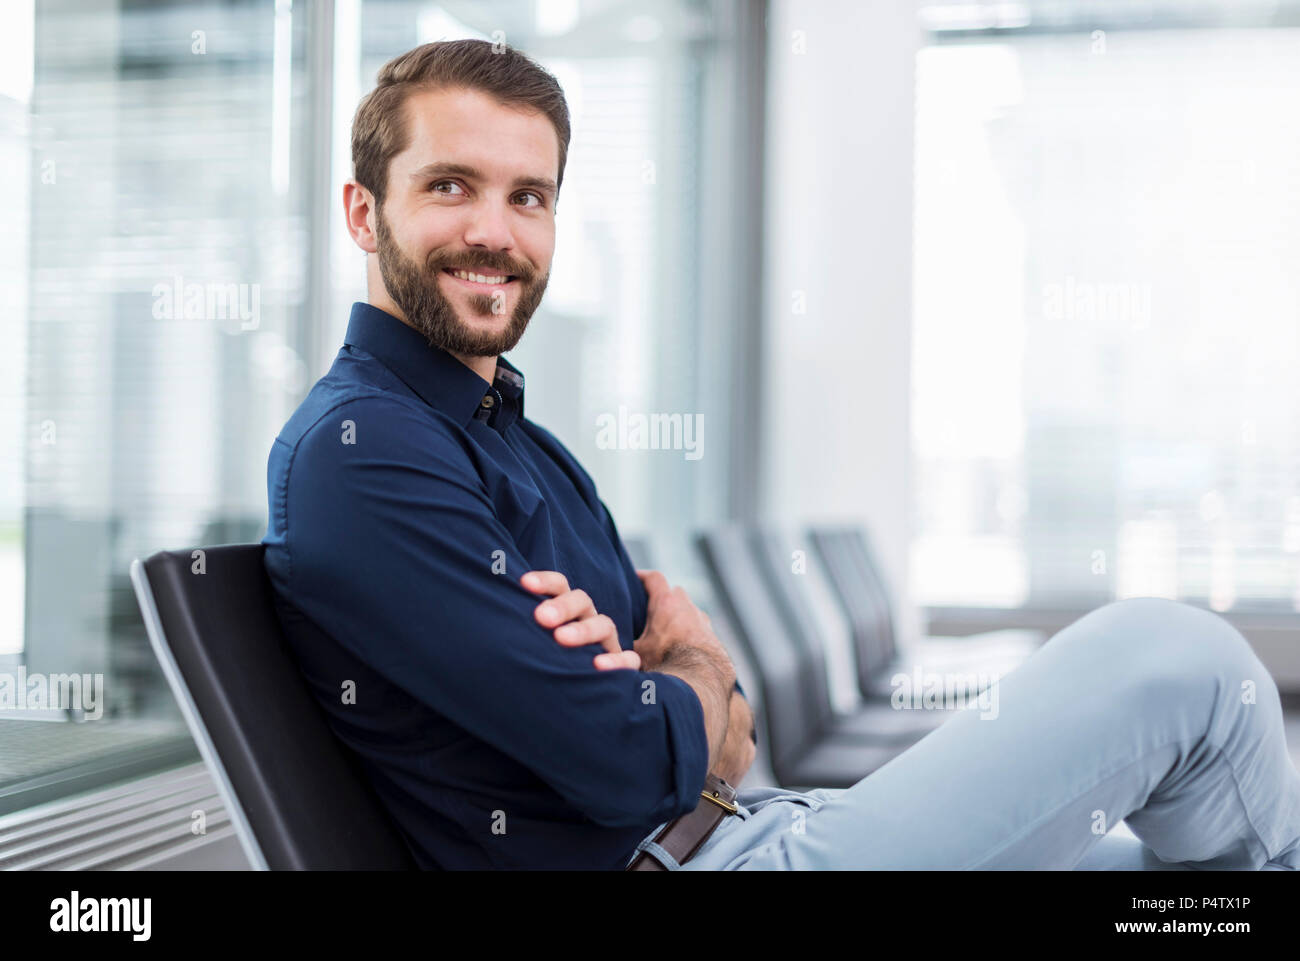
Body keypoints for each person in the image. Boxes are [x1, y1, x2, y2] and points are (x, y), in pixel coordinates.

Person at [261, 39, 1300, 871]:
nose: (495, 230)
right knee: (1180, 666)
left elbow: (730, 739)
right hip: (711, 859)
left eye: (527, 197)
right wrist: (688, 671)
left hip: (753, 820)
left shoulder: (522, 446)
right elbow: (638, 756)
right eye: (451, 186)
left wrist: (668, 687)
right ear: (364, 210)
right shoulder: (361, 453)